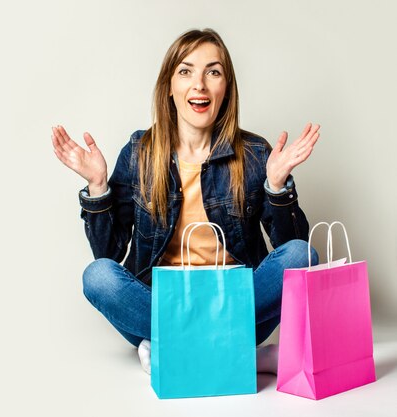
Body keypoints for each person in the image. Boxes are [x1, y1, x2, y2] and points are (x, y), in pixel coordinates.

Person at [51, 28, 319, 375]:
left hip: (237, 302)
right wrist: (98, 186)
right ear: (170, 87)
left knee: (303, 255)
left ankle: (172, 348)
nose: (200, 84)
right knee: (98, 276)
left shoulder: (253, 153)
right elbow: (108, 255)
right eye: (186, 70)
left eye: (213, 71)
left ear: (226, 89)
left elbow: (291, 248)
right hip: (163, 305)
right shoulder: (139, 153)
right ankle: (242, 355)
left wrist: (276, 185)